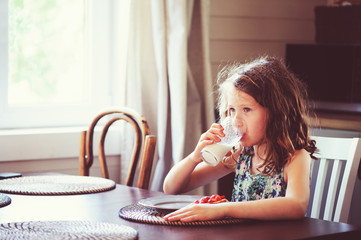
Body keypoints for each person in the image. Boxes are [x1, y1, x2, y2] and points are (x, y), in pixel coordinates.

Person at [163, 56, 317, 222]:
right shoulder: (239, 156)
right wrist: (194, 157)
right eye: (231, 110)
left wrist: (223, 209)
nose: (236, 120)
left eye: (246, 109)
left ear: (276, 112)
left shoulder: (294, 158)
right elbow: (171, 187)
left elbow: (296, 206)